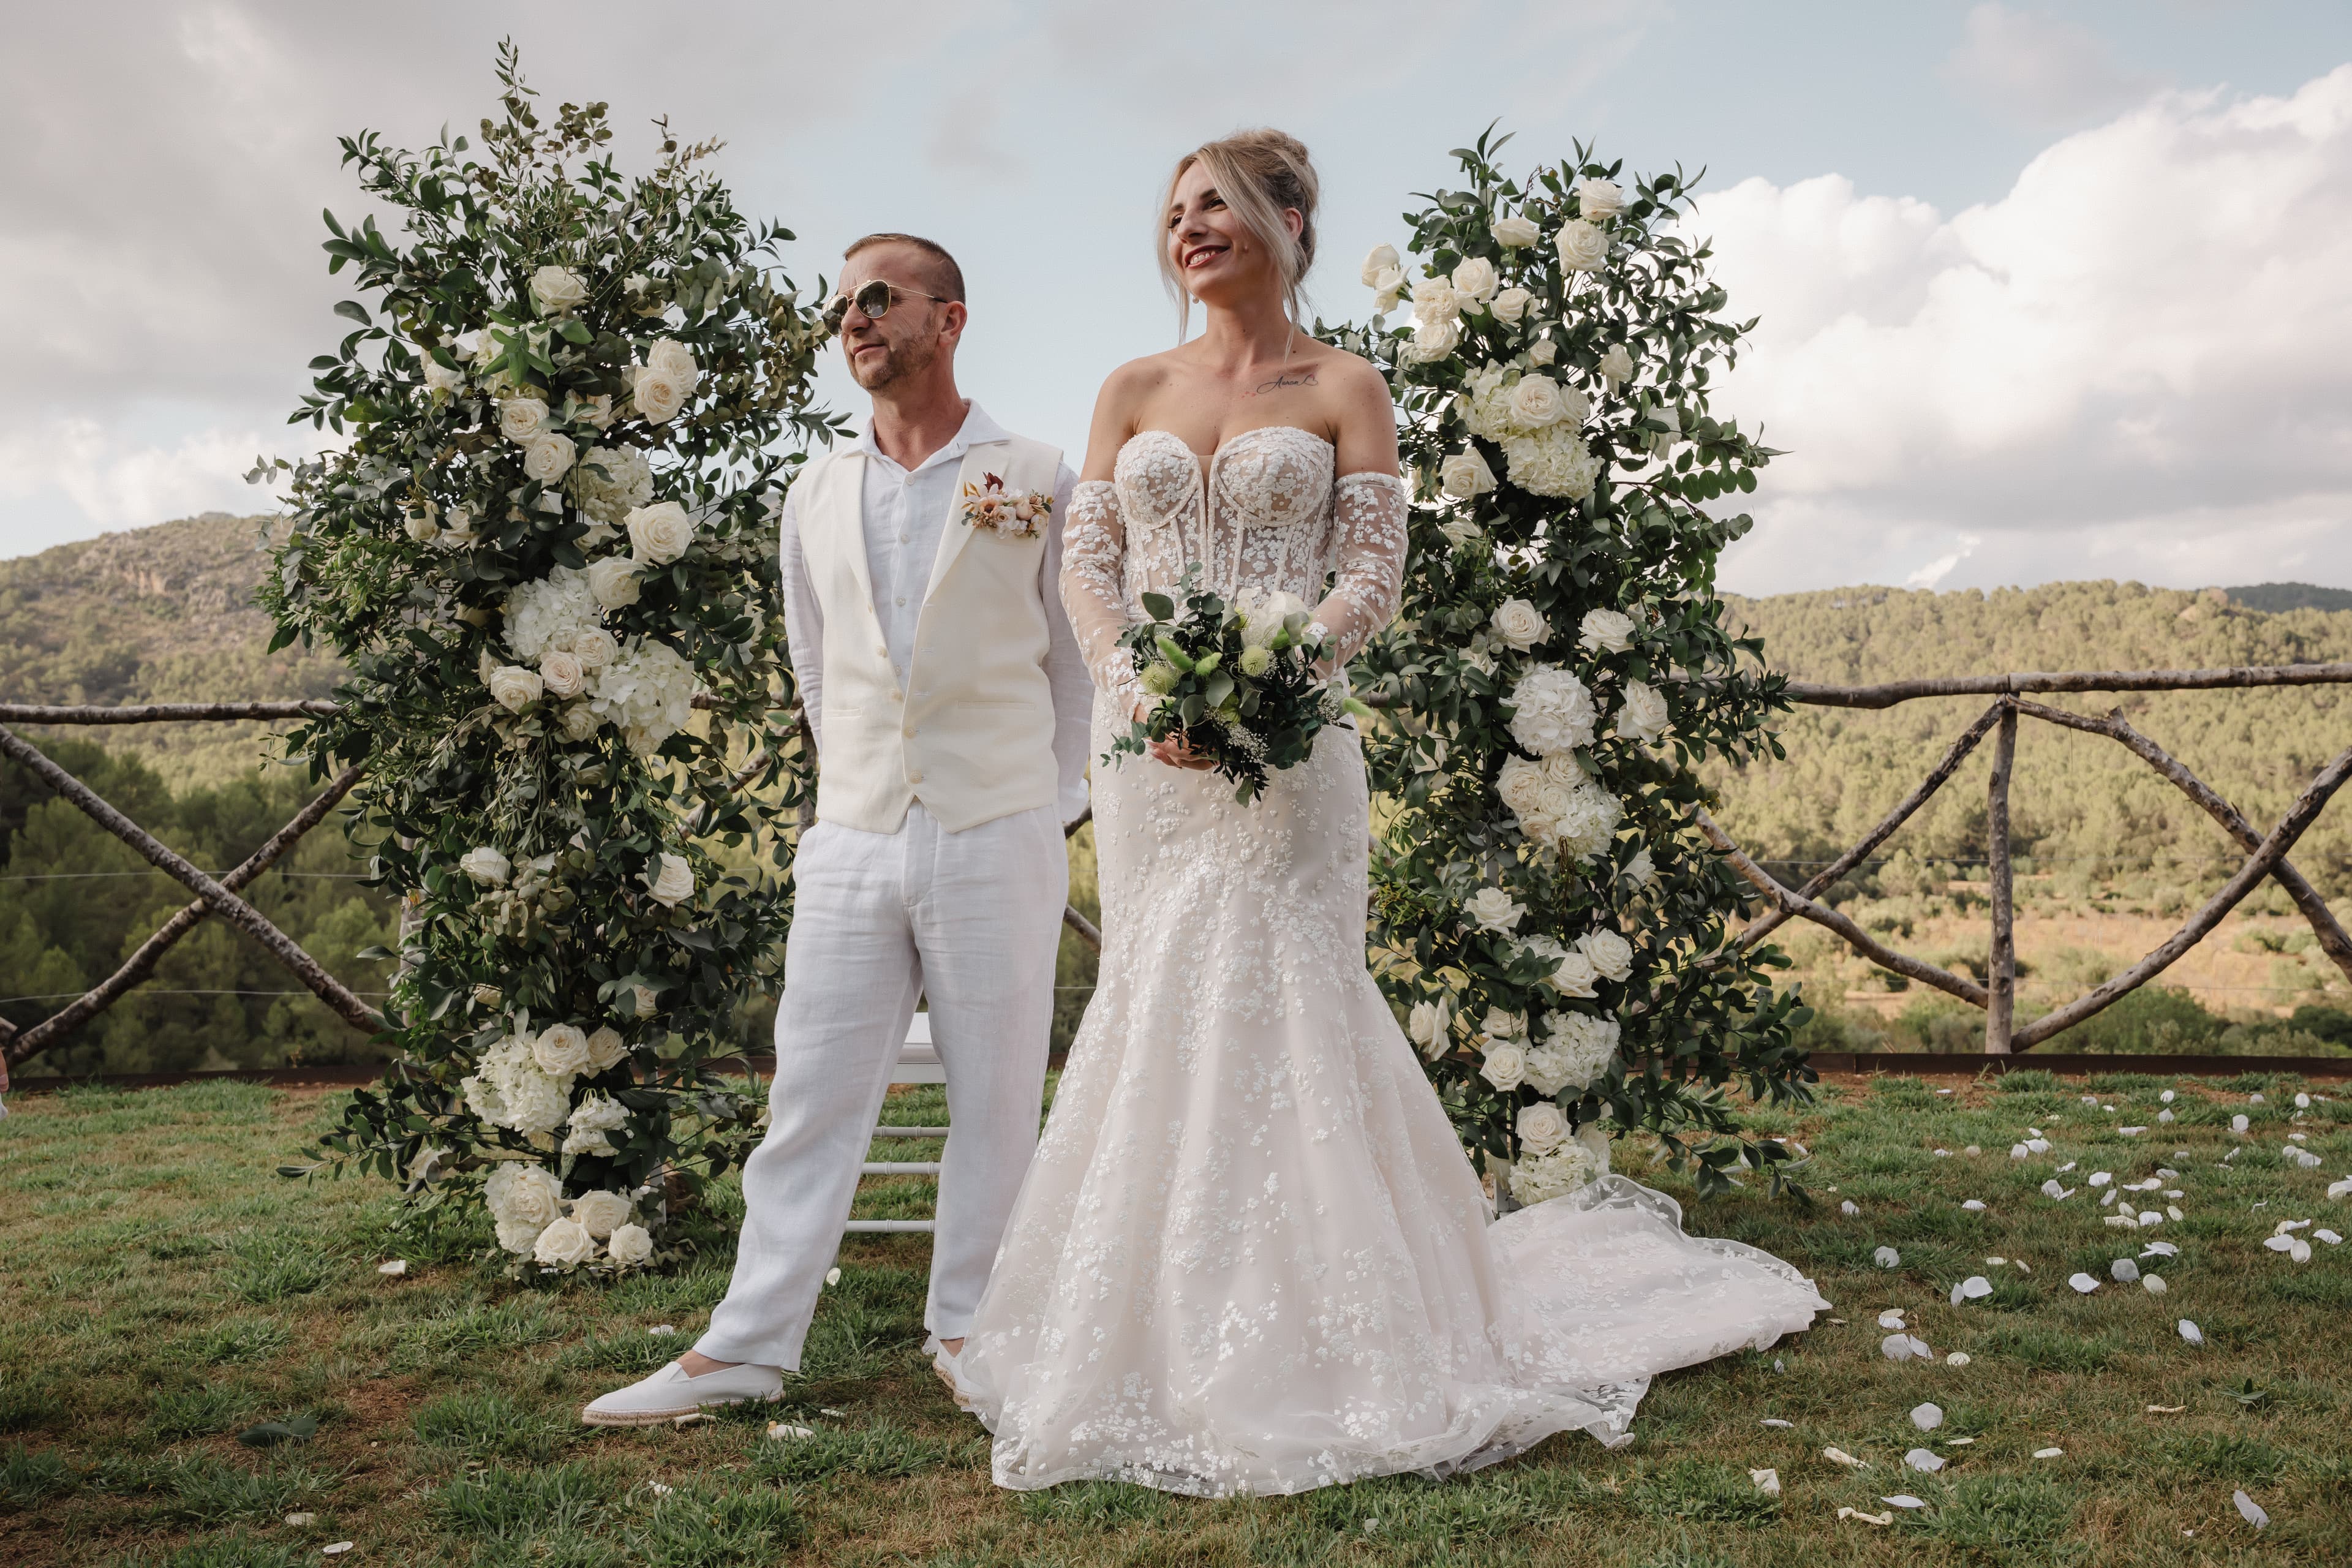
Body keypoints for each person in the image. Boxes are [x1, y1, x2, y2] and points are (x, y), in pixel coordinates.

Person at [942, 130, 1829, 1496]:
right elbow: (1091, 566)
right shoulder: (1131, 386)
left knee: (1290, 1000)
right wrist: (1144, 688)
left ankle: (1346, 1331)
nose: (1192, 230)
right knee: (1155, 994)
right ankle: (1132, 1327)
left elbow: (1370, 575)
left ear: (1290, 220)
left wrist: (1269, 679)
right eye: (1177, 212)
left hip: (1292, 748)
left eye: (1221, 208)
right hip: (1149, 758)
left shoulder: (1346, 385)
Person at [584, 233, 1092, 1426]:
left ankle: (974, 1330)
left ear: (949, 317)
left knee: (997, 1094)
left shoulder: (1037, 471)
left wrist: (1043, 805)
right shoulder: (812, 491)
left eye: (878, 298)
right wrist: (849, 799)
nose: (854, 321)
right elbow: (819, 670)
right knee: (808, 1089)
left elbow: (1077, 668)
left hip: (996, 824)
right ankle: (748, 1344)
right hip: (855, 831)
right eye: (841, 308)